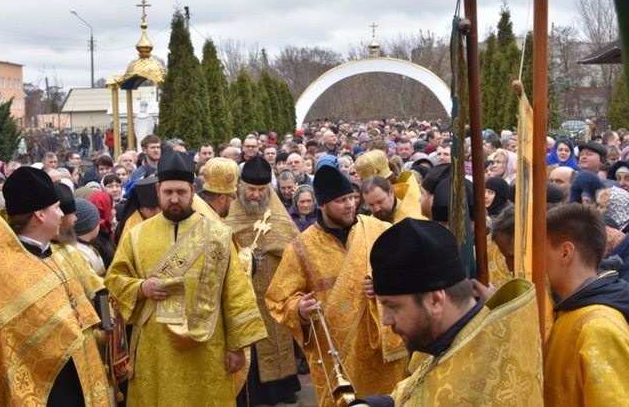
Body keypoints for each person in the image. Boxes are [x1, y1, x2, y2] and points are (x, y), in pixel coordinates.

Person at [104, 151, 267, 406]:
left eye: (181, 192)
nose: (175, 199)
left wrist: (236, 347)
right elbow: (114, 279)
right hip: (155, 351)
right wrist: (141, 287)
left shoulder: (218, 235)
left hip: (207, 349)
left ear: (192, 189)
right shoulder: (137, 235)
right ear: (158, 190)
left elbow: (236, 292)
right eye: (168, 192)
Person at [350, 219, 543, 406]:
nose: (385, 320)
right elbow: (416, 390)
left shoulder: (477, 383)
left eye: (393, 306)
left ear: (435, 300)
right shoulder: (456, 338)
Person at [266, 165, 406, 407]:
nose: (350, 204)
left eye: (352, 198)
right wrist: (299, 308)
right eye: (341, 200)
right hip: (334, 357)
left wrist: (387, 285)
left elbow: (411, 274)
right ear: (322, 205)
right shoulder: (302, 247)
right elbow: (278, 299)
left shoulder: (379, 231)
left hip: (381, 353)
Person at [0, 167, 110, 405]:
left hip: (81, 379)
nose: (63, 215)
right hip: (50, 392)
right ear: (39, 213)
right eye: (57, 207)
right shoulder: (7, 269)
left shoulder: (53, 254)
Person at [224, 156, 301, 406]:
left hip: (272, 283)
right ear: (241, 186)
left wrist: (270, 248)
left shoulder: (275, 208)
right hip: (242, 287)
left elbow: (292, 242)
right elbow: (224, 240)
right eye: (251, 189)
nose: (256, 195)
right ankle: (252, 391)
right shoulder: (232, 210)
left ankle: (280, 389)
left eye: (261, 190)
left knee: (276, 334)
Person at [543, 204, 629, 405]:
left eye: (540, 251)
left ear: (565, 252)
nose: (535, 262)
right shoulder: (568, 309)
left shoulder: (598, 327)